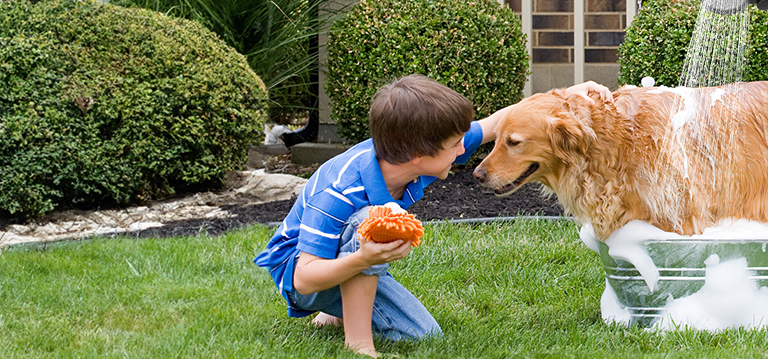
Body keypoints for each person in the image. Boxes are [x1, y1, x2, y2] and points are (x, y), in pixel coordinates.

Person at [253, 75, 610, 357]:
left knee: (423, 335)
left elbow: (496, 121)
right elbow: (303, 278)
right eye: (455, 145)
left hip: (336, 266)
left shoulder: (415, 154)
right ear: (417, 155)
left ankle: (336, 310)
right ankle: (358, 344)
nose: (463, 149)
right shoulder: (338, 189)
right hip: (301, 277)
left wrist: (565, 96)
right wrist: (364, 257)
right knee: (366, 220)